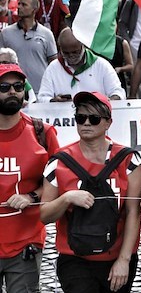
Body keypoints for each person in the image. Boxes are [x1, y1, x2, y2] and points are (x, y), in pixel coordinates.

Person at [40, 91, 141, 292]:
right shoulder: (59, 162)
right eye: (80, 117)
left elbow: (133, 212)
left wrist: (124, 260)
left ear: (108, 123)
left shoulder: (128, 160)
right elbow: (44, 215)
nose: (86, 123)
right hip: (75, 259)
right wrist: (67, 198)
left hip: (116, 257)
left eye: (94, 118)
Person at [0, 63, 59, 292]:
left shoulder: (42, 133)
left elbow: (58, 182)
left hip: (25, 245)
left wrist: (31, 196)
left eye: (18, 86)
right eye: (4, 86)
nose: (12, 91)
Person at [38, 28, 125, 103]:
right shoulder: (53, 68)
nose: (71, 56)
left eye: (75, 52)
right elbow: (42, 98)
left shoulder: (102, 65)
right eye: (66, 53)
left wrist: (107, 101)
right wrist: (54, 101)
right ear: (60, 49)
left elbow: (118, 92)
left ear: (83, 46)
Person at [0, 0, 57, 94]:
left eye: (24, 5)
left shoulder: (47, 34)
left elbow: (53, 64)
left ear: (34, 10)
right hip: (14, 91)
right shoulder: (5, 33)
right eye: (19, 4)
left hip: (41, 91)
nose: (19, 7)